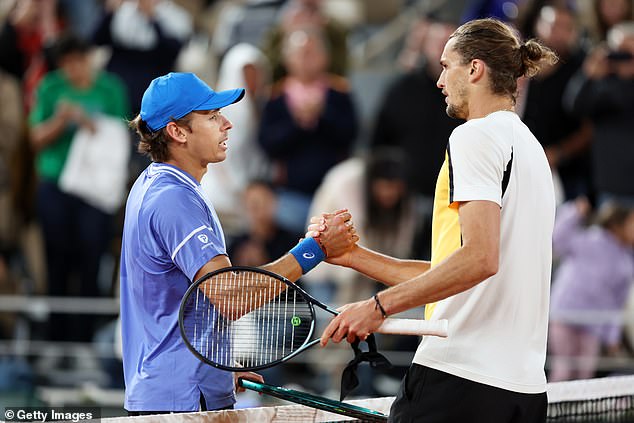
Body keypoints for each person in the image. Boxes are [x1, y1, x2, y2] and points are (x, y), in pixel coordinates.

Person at [311, 18, 558, 422]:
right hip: (523, 392)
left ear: (475, 69)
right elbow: (458, 273)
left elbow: (480, 259)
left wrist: (378, 306)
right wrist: (355, 256)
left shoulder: (473, 136)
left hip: (460, 381)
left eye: (447, 66)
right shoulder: (531, 149)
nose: (440, 80)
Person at [120, 72, 357, 414]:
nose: (227, 124)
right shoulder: (173, 198)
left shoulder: (157, 185)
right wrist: (314, 249)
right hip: (180, 400)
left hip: (180, 391)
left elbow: (187, 303)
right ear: (177, 132)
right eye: (212, 117)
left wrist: (219, 371)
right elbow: (229, 296)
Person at [29, 33, 129, 342]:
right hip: (57, 186)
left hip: (95, 191)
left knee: (91, 258)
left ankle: (84, 337)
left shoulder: (111, 89)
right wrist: (62, 120)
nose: (74, 69)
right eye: (67, 63)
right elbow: (35, 138)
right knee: (57, 259)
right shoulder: (51, 88)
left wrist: (91, 123)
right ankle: (56, 338)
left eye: (78, 60)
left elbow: (121, 135)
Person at [548, 198, 634, 382]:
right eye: (631, 223)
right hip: (564, 315)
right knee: (563, 370)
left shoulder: (626, 264)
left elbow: (617, 303)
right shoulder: (590, 239)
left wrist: (612, 336)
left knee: (585, 377)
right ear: (616, 224)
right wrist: (574, 212)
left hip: (593, 324)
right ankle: (549, 411)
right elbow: (557, 239)